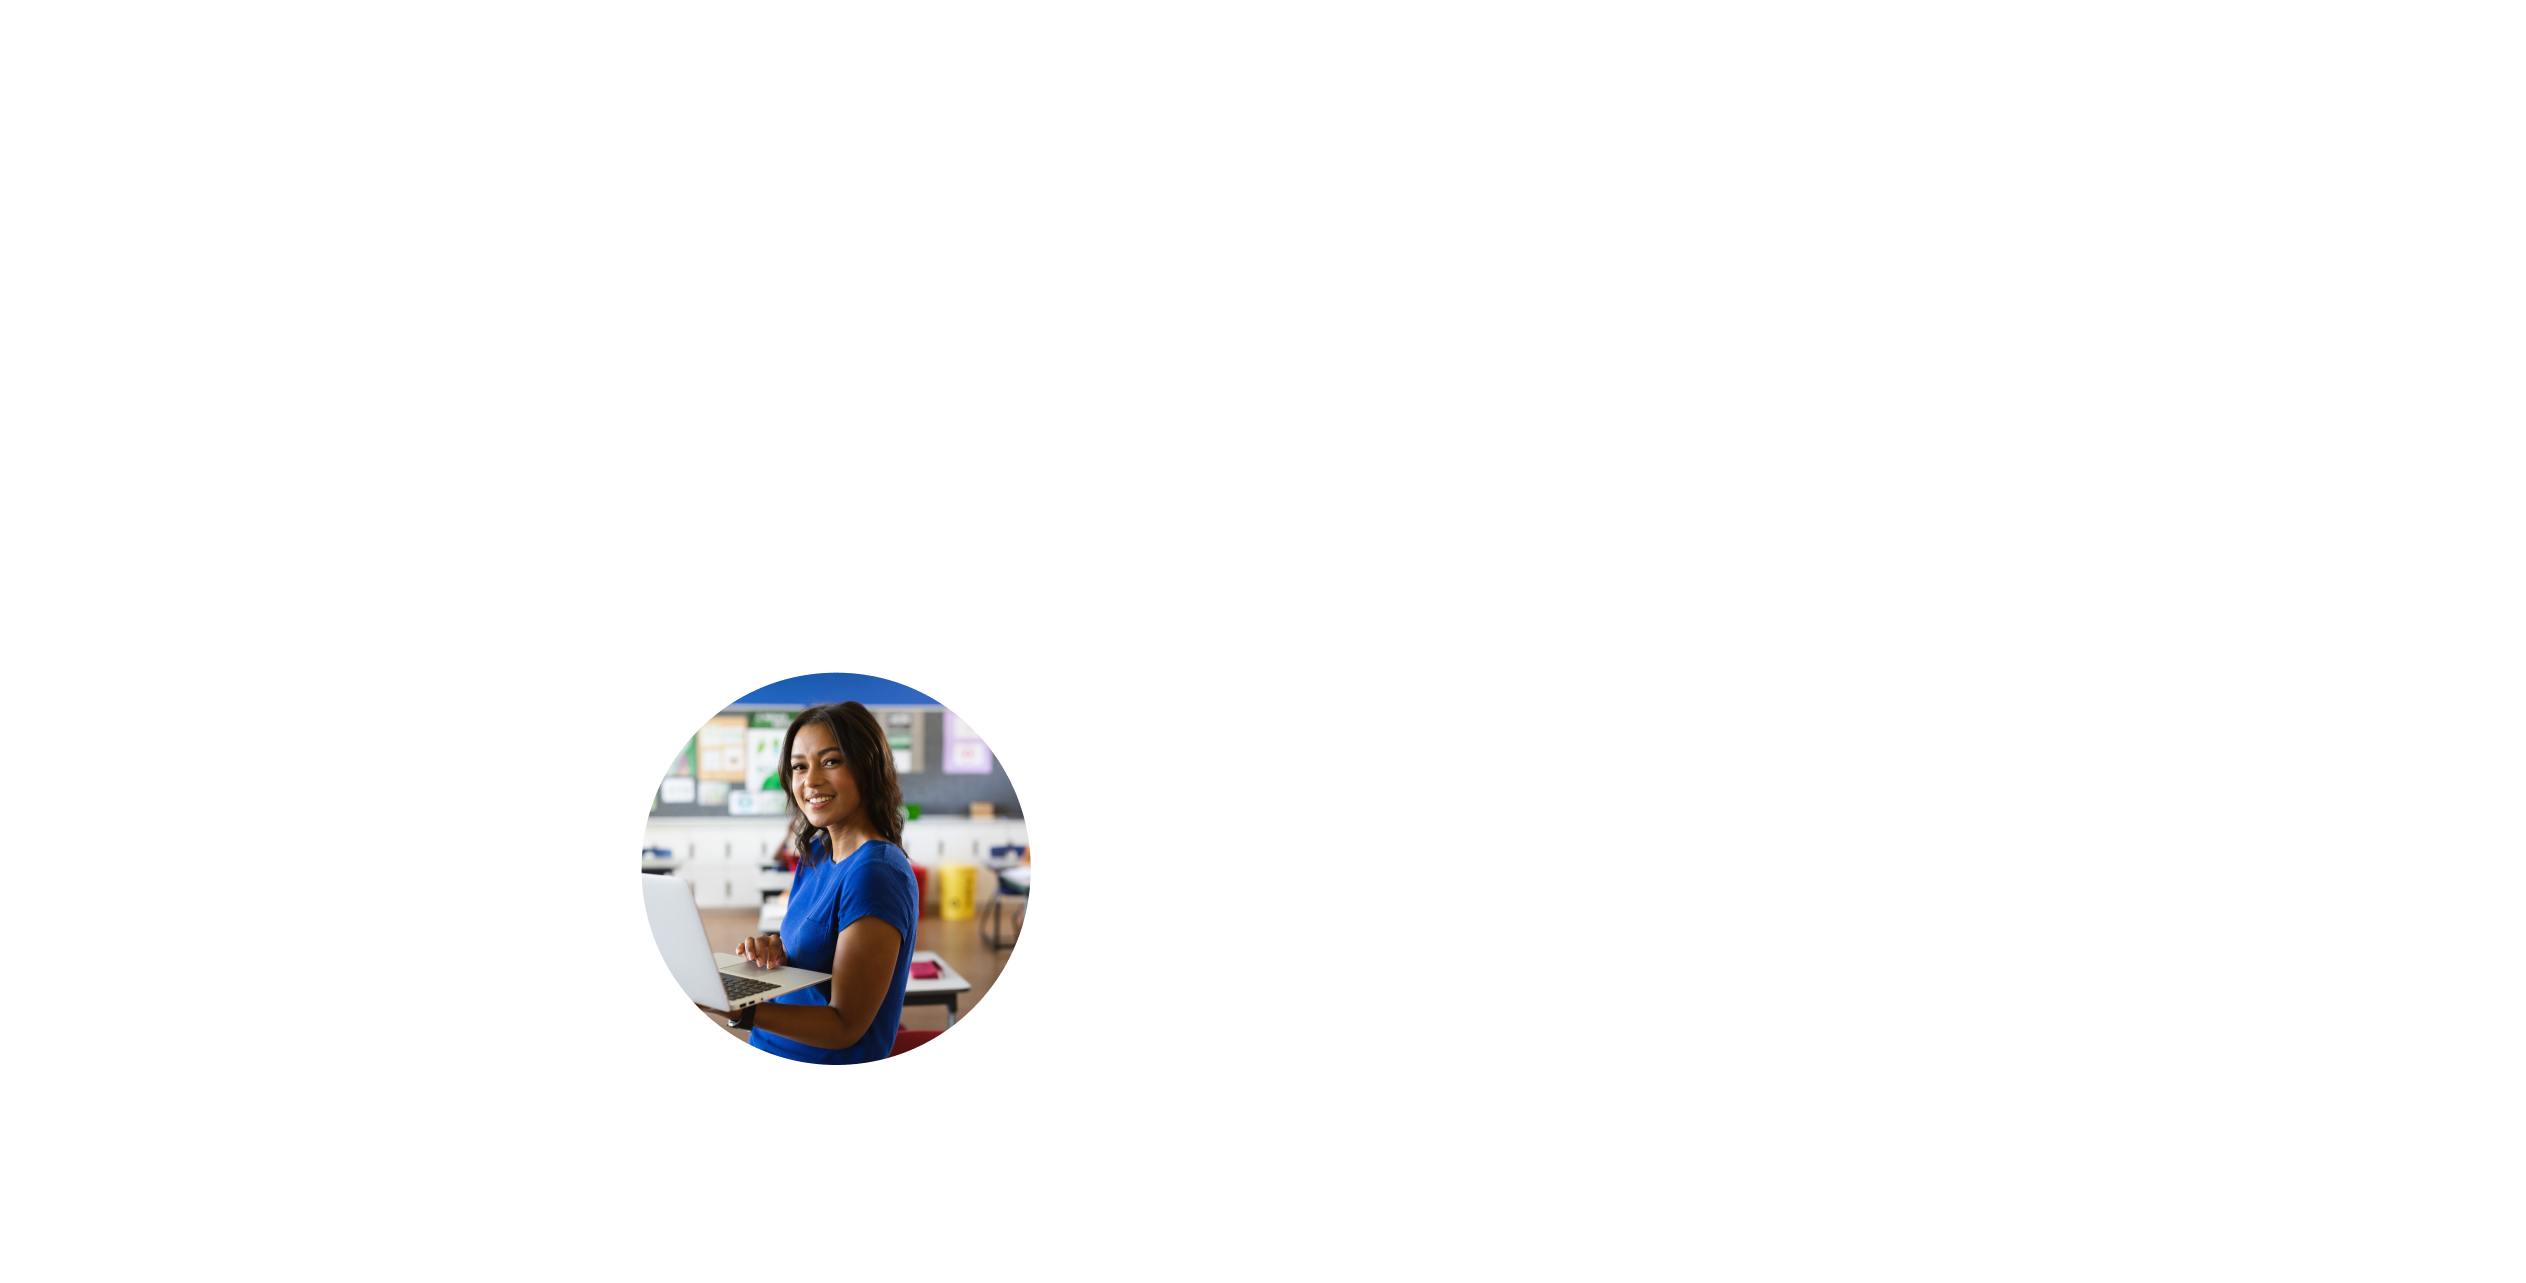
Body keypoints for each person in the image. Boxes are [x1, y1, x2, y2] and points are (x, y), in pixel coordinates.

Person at [694, 701, 918, 1064]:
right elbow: (814, 946)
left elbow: (845, 1026)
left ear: (867, 766)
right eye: (800, 766)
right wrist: (776, 950)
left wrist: (735, 1007)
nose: (810, 781)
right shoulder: (816, 851)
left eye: (831, 761)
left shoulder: (875, 872)